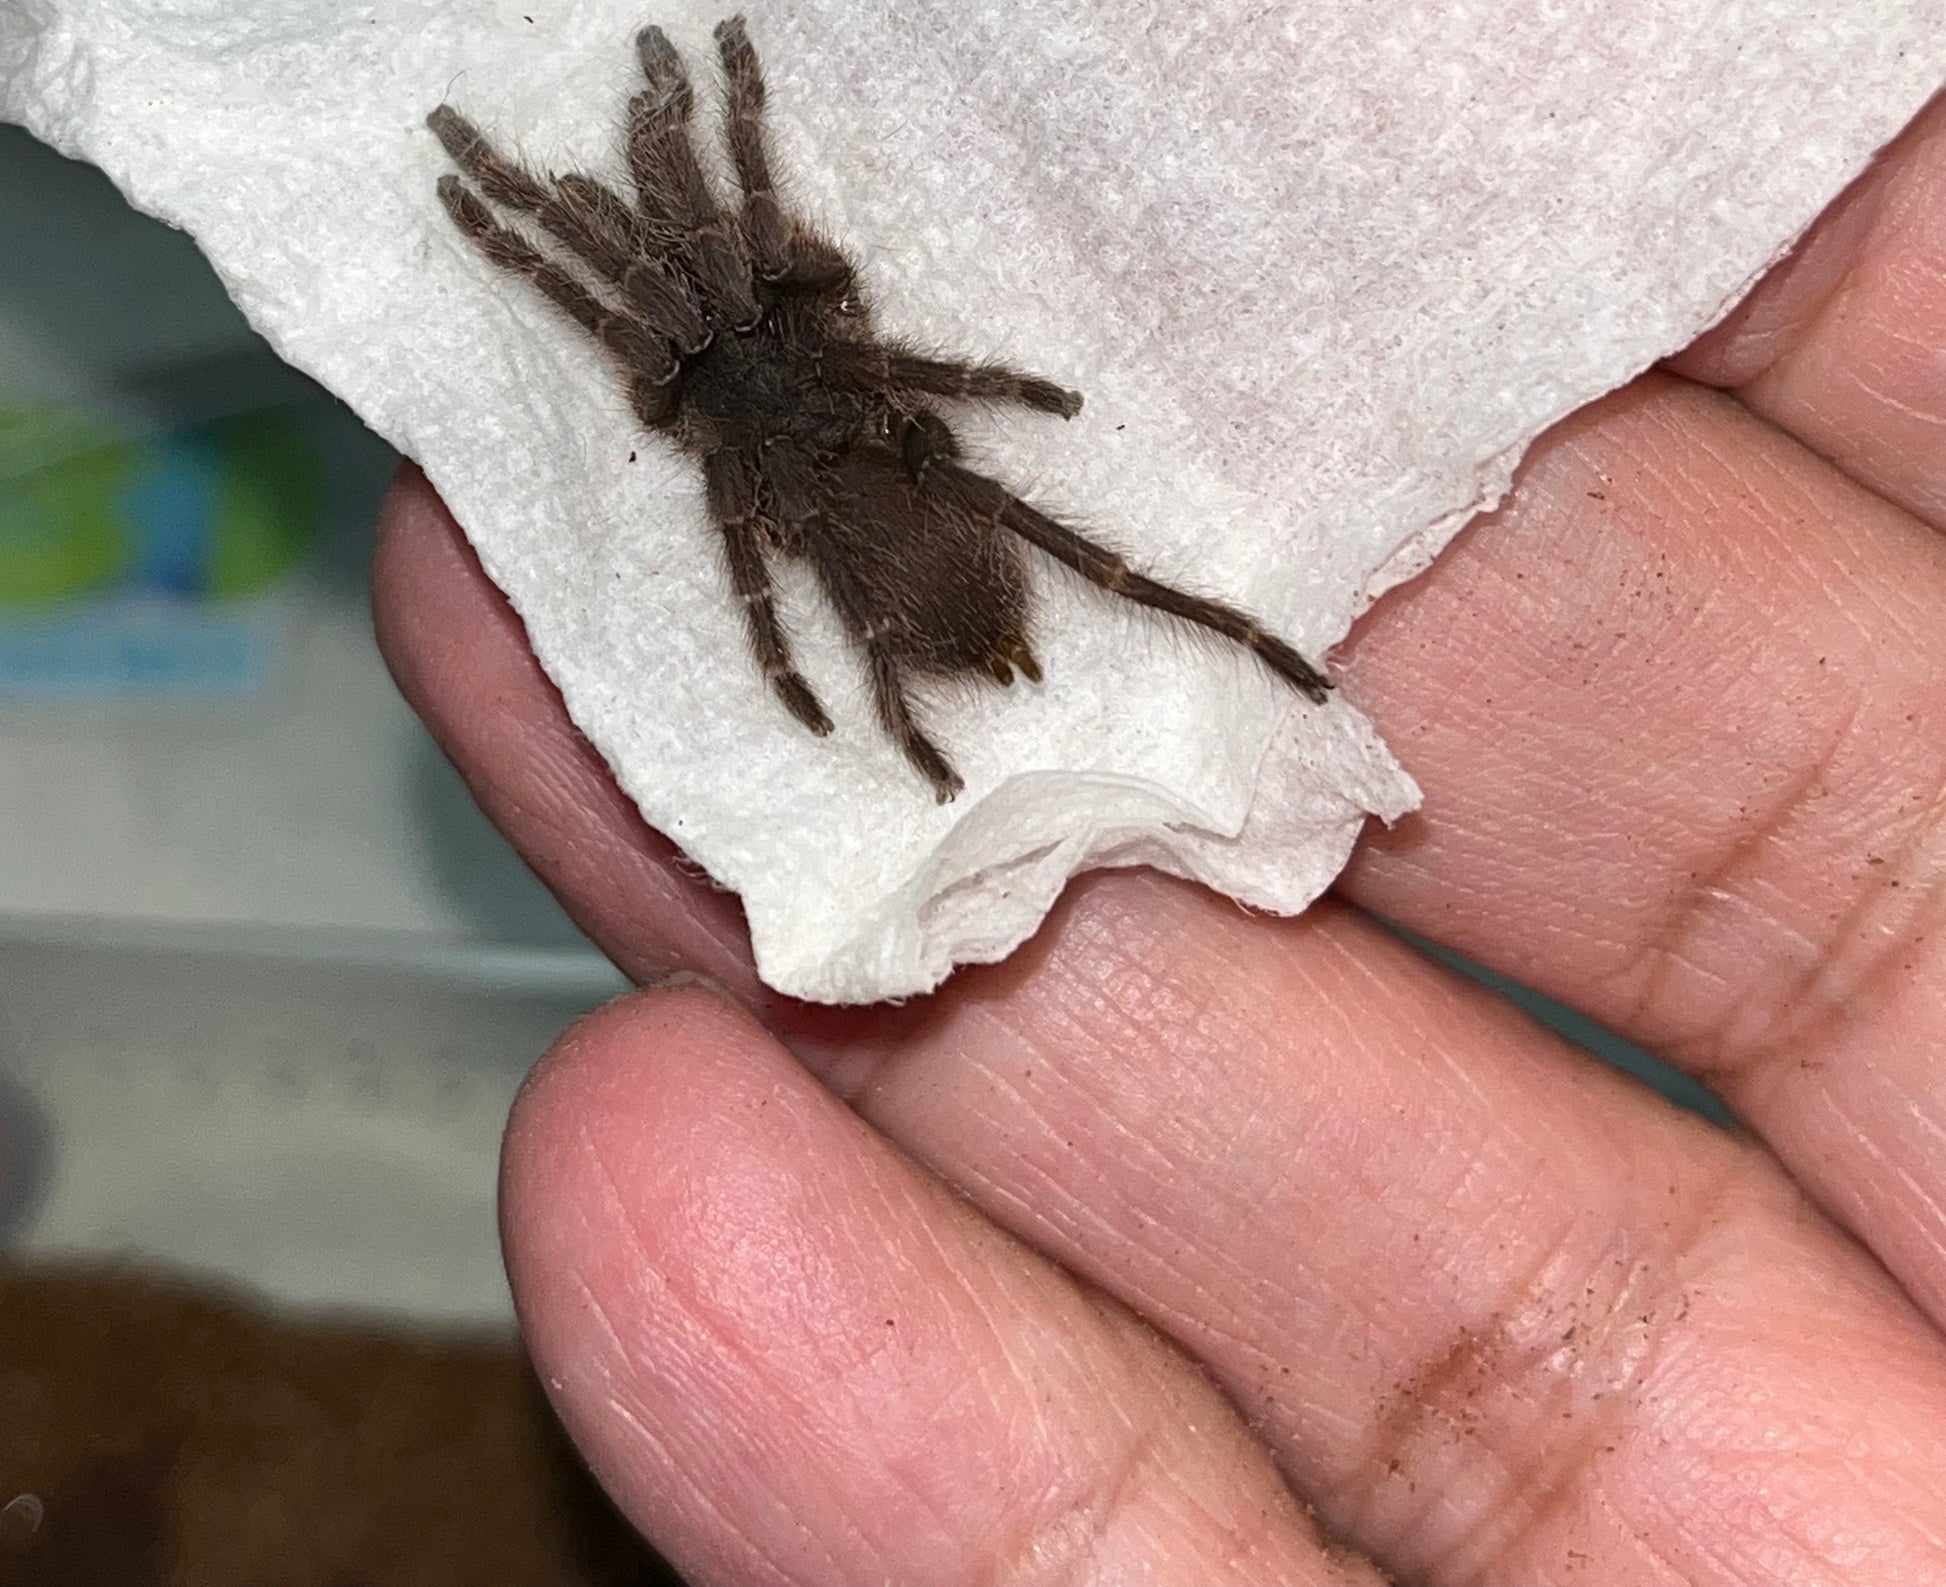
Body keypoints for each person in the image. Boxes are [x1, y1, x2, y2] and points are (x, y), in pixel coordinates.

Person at [373, 90, 1946, 1586]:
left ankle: (1198, 644)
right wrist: (693, 136)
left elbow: (769, 531)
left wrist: (603, 175)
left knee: (926, 525)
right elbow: (799, 467)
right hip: (879, 496)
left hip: (868, 519)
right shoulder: (819, 383)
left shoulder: (753, 443)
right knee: (975, 521)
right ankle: (1180, 643)